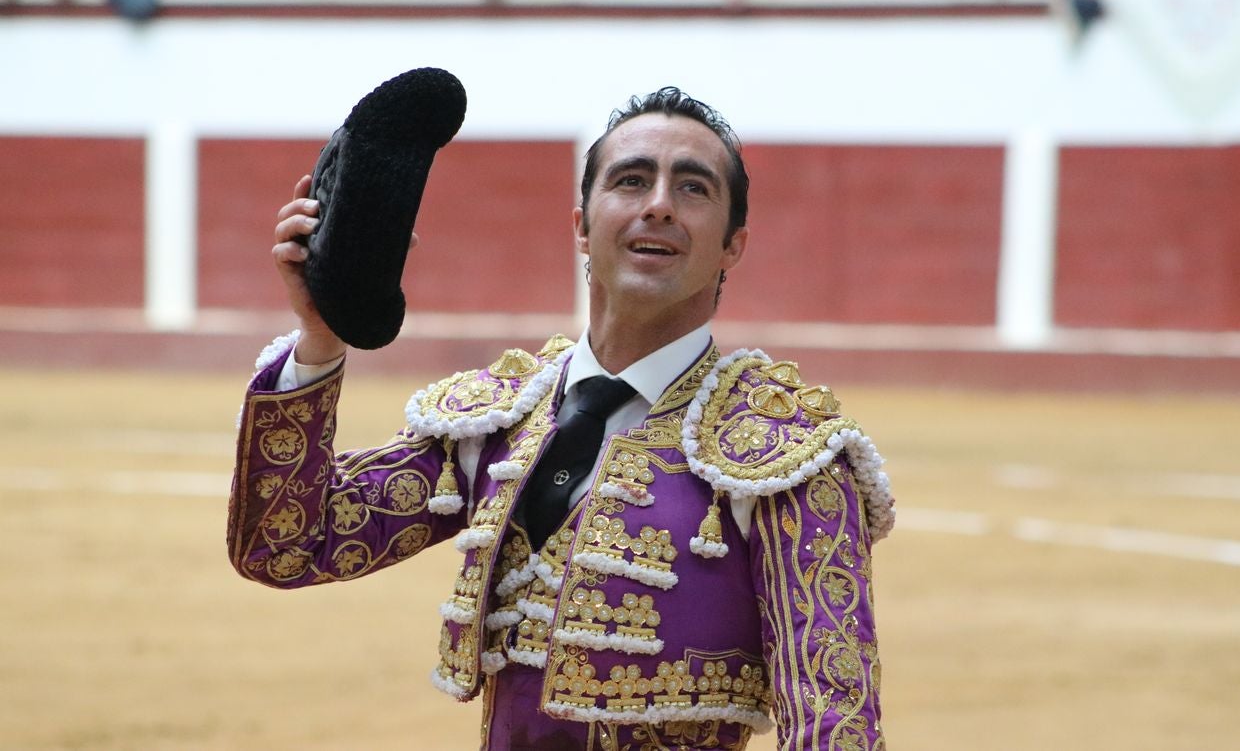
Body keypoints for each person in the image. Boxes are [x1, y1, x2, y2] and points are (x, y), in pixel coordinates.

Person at [227, 87, 894, 750]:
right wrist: (319, 339)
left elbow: (833, 722)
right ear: (581, 225)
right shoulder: (502, 419)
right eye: (631, 180)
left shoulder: (788, 453)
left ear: (732, 246)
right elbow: (288, 543)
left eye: (693, 188)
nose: (658, 203)